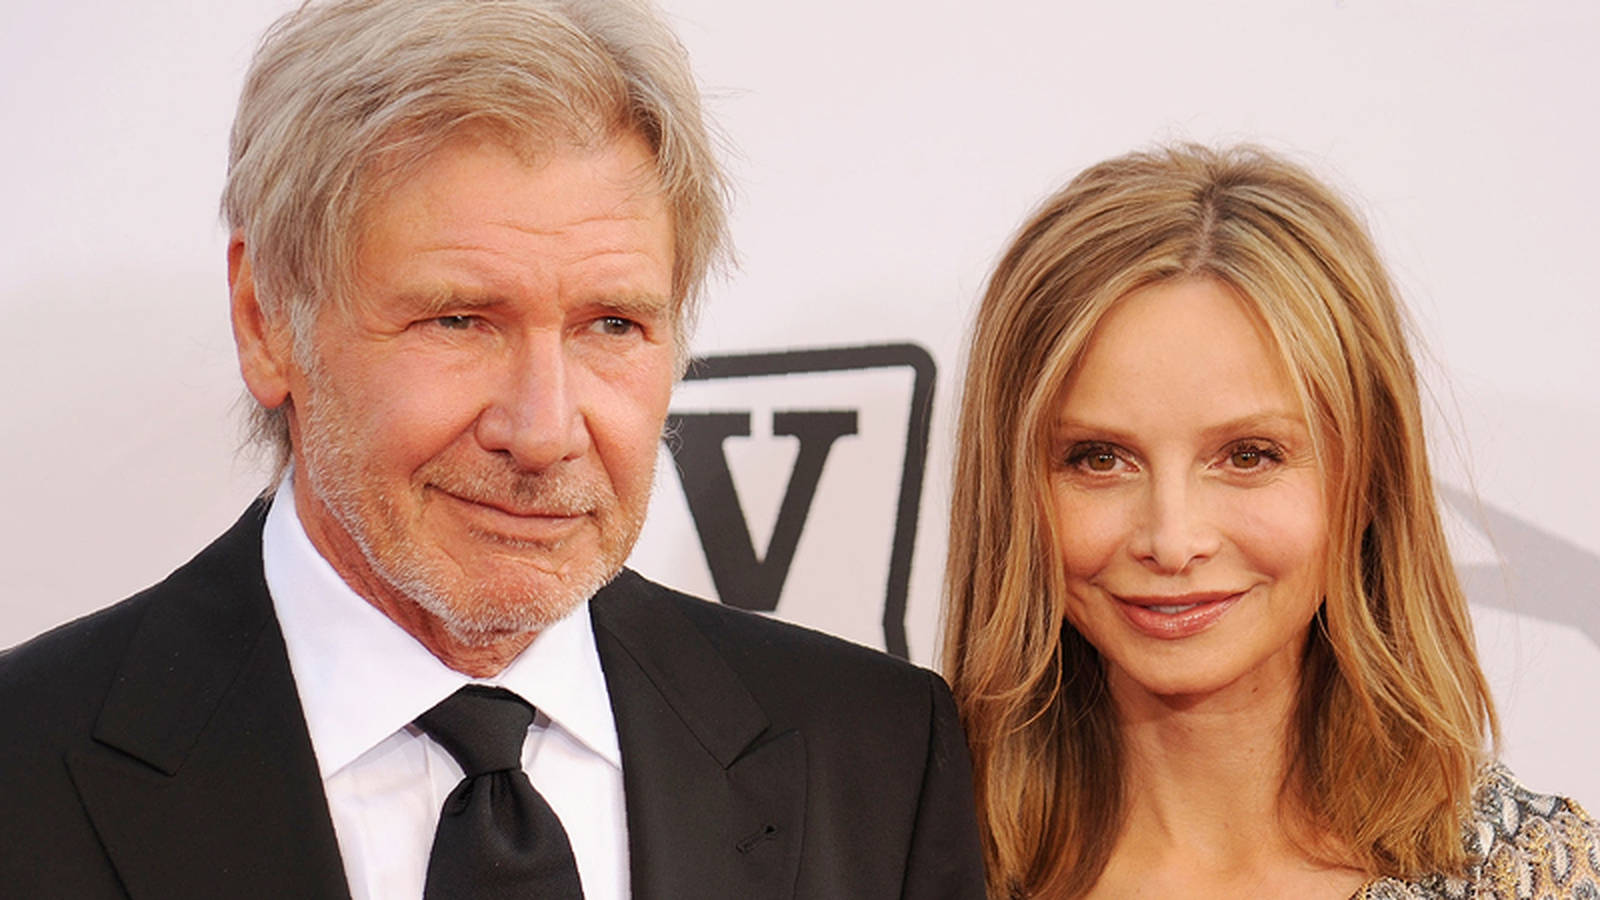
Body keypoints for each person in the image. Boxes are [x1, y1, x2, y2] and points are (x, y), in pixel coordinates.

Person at [0, 1, 986, 898]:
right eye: (460, 320)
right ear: (267, 321)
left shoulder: (875, 754)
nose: (546, 430)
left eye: (611, 326)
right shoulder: (23, 770)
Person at [942, 143, 1600, 899]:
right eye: (1098, 459)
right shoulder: (900, 863)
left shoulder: (1529, 878)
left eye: (1249, 455)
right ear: (1010, 489)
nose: (1173, 539)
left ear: (1372, 474)